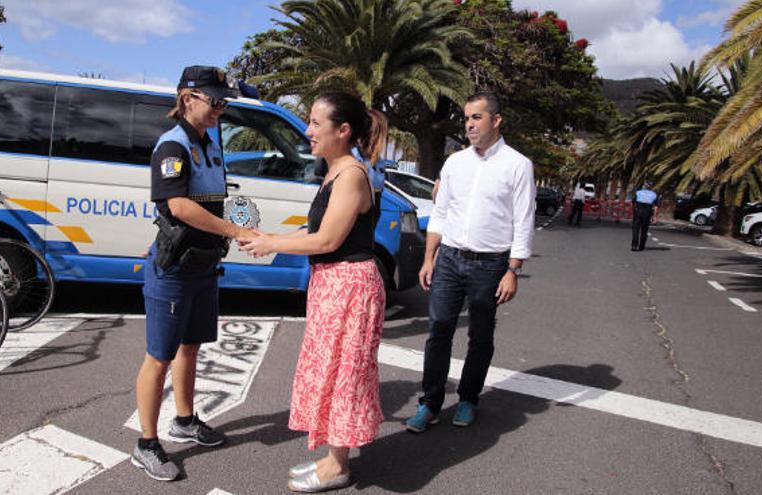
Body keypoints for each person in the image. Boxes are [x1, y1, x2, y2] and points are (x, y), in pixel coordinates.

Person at [240, 92, 387, 493]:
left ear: (343, 131)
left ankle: (338, 466)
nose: (308, 131)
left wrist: (272, 245)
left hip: (350, 286)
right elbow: (313, 232)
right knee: (332, 370)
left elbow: (327, 240)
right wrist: (269, 236)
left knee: (345, 374)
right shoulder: (336, 171)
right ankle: (333, 457)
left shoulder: (352, 174)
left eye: (315, 123)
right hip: (333, 285)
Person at [133, 65, 254, 482]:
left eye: (224, 101)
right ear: (188, 98)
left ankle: (184, 420)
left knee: (191, 347)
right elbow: (180, 207)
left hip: (204, 266)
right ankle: (145, 444)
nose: (221, 108)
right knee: (159, 356)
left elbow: (215, 200)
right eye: (214, 100)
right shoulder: (173, 146)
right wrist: (234, 230)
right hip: (174, 268)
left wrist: (242, 223)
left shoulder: (211, 141)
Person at [405, 92, 535, 433]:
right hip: (448, 259)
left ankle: (467, 399)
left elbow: (523, 220)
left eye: (477, 117)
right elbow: (441, 213)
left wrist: (513, 270)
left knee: (480, 336)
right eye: (466, 118)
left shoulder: (518, 165)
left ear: (496, 120)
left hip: (490, 266)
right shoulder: (455, 163)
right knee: (438, 332)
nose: (469, 125)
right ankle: (430, 403)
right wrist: (428, 257)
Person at [631, 180, 658, 251]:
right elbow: (655, 207)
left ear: (644, 186)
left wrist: (634, 210)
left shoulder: (638, 192)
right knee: (644, 230)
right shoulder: (654, 194)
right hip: (647, 213)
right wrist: (654, 216)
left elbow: (633, 202)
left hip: (638, 212)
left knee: (635, 229)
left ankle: (634, 245)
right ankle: (641, 246)